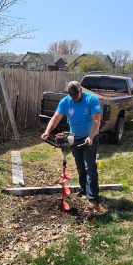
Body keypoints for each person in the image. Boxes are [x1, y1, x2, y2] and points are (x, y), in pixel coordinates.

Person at [41, 81, 102, 209]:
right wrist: (47, 132)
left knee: (89, 166)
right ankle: (83, 189)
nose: (75, 98)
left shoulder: (92, 99)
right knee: (80, 166)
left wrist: (90, 137)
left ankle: (93, 197)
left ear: (81, 90)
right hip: (75, 138)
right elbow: (55, 118)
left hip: (90, 138)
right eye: (72, 97)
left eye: (77, 96)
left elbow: (96, 120)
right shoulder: (65, 101)